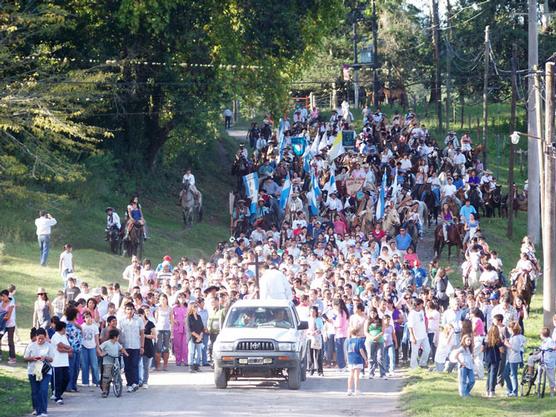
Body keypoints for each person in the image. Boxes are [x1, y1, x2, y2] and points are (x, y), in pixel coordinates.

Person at [24, 327, 53, 417]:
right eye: (39, 338)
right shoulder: (31, 345)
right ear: (36, 337)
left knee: (43, 390)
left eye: (42, 338)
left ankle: (43, 411)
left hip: (45, 371)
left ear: (45, 337)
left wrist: (45, 358)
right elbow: (25, 358)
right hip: (33, 370)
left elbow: (51, 359)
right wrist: (32, 358)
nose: (40, 340)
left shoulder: (49, 346)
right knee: (35, 391)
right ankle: (37, 409)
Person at [118, 302, 144, 392]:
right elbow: (119, 334)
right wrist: (120, 346)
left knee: (135, 365)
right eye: (128, 309)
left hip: (136, 346)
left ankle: (135, 383)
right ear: (125, 310)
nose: (129, 311)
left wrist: (142, 346)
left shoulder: (139, 320)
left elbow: (142, 334)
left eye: (131, 309)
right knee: (127, 366)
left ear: (134, 310)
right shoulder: (121, 320)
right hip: (125, 346)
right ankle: (129, 383)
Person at [525, 327, 555, 397]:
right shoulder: (544, 341)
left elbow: (554, 347)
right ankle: (530, 373)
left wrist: (551, 349)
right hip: (542, 357)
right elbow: (541, 348)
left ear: (542, 335)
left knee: (551, 377)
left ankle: (552, 392)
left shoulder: (550, 341)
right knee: (531, 358)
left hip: (549, 360)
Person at [98, 329, 128, 398]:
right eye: (118, 337)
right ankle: (104, 391)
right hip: (107, 362)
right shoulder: (106, 343)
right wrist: (102, 353)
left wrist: (126, 353)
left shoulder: (117, 344)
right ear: (115, 337)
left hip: (116, 361)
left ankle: (118, 383)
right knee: (106, 376)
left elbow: (121, 349)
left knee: (117, 373)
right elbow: (99, 348)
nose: (118, 338)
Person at [50, 321, 72, 405]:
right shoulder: (55, 336)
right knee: (58, 381)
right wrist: (68, 349)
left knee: (66, 379)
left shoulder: (64, 336)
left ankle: (58, 393)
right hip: (56, 362)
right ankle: (57, 397)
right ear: (63, 328)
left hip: (65, 362)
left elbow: (65, 347)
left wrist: (66, 349)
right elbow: (60, 346)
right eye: (65, 328)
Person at [503, 321, 526, 397]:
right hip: (510, 358)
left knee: (513, 375)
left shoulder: (516, 338)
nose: (508, 330)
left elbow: (516, 348)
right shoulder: (514, 336)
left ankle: (514, 391)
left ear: (512, 329)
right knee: (505, 374)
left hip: (514, 358)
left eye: (509, 329)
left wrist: (507, 344)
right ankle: (510, 389)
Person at [407, 299, 430, 369]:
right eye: (421, 304)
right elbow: (410, 327)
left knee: (427, 349)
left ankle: (423, 363)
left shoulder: (422, 311)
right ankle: (413, 366)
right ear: (417, 305)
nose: (422, 305)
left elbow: (423, 321)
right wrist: (413, 337)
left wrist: (426, 330)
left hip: (423, 334)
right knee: (415, 352)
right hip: (416, 336)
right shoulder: (412, 314)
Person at [80, 311, 100, 387]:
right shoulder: (82, 326)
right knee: (84, 365)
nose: (88, 319)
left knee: (94, 365)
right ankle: (85, 381)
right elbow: (81, 336)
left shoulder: (95, 327)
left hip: (92, 347)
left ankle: (96, 381)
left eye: (89, 317)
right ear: (84, 319)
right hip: (84, 346)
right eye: (86, 317)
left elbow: (96, 337)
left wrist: (98, 347)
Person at [483, 325, 504, 398]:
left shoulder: (486, 339)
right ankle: (492, 391)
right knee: (493, 374)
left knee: (489, 374)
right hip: (495, 358)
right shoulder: (498, 340)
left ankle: (487, 390)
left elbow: (482, 349)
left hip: (487, 358)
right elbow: (501, 350)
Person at [346, 327, 368, 396]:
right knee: (356, 375)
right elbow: (361, 350)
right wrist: (365, 358)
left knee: (350, 375)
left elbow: (346, 351)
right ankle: (356, 390)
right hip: (358, 359)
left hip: (350, 359)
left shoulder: (348, 341)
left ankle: (349, 390)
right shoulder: (359, 340)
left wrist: (346, 359)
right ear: (357, 333)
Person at [138, 308, 155, 389]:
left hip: (147, 346)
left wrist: (144, 336)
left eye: (140, 315)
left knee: (146, 366)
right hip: (137, 345)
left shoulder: (150, 324)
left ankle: (145, 381)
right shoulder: (136, 324)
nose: (139, 317)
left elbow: (154, 335)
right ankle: (138, 380)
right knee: (137, 365)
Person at [154, 293, 171, 371]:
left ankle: (165, 364)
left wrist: (172, 331)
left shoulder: (170, 308)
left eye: (164, 299)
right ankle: (158, 365)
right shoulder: (157, 308)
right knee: (158, 347)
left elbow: (172, 320)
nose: (162, 301)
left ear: (166, 300)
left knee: (166, 347)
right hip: (159, 329)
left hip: (167, 329)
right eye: (161, 299)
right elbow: (156, 319)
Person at [0, 289, 16, 364]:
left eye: (3, 296)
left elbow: (8, 316)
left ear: (7, 296)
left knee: (10, 341)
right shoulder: (1, 304)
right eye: (1, 296)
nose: (2, 298)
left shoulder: (11, 304)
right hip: (2, 324)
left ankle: (12, 357)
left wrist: (1, 317)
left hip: (10, 325)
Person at [187, 302, 204, 372]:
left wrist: (200, 336)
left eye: (196, 306)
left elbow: (202, 327)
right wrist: (197, 336)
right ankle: (190, 366)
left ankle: (197, 366)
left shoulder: (199, 316)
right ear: (191, 307)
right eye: (194, 306)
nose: (196, 308)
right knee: (191, 352)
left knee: (199, 353)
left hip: (199, 337)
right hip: (192, 337)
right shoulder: (189, 317)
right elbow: (190, 329)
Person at [307, 306, 324, 376]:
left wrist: (317, 331)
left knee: (318, 355)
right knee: (310, 355)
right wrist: (310, 332)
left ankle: (320, 371)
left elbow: (322, 328)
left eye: (314, 312)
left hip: (317, 338)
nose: (312, 313)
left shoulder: (319, 320)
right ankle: (311, 369)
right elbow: (305, 330)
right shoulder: (308, 320)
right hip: (309, 338)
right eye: (311, 312)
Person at [172, 295, 188, 366]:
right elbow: (170, 318)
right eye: (180, 297)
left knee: (185, 345)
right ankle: (178, 360)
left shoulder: (187, 308)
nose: (182, 299)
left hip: (185, 328)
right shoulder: (174, 308)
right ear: (178, 298)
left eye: (183, 297)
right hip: (177, 328)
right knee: (177, 345)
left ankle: (185, 360)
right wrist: (174, 320)